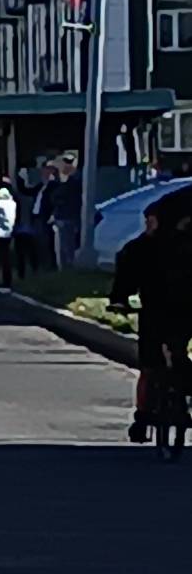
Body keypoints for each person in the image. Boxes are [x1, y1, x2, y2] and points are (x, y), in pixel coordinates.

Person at [110, 190, 190, 454]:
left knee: (150, 364)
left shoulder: (143, 247)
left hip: (158, 310)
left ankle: (143, 417)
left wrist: (120, 299)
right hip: (179, 310)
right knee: (170, 355)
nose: (148, 227)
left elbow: (126, 274)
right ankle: (178, 388)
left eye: (151, 221)